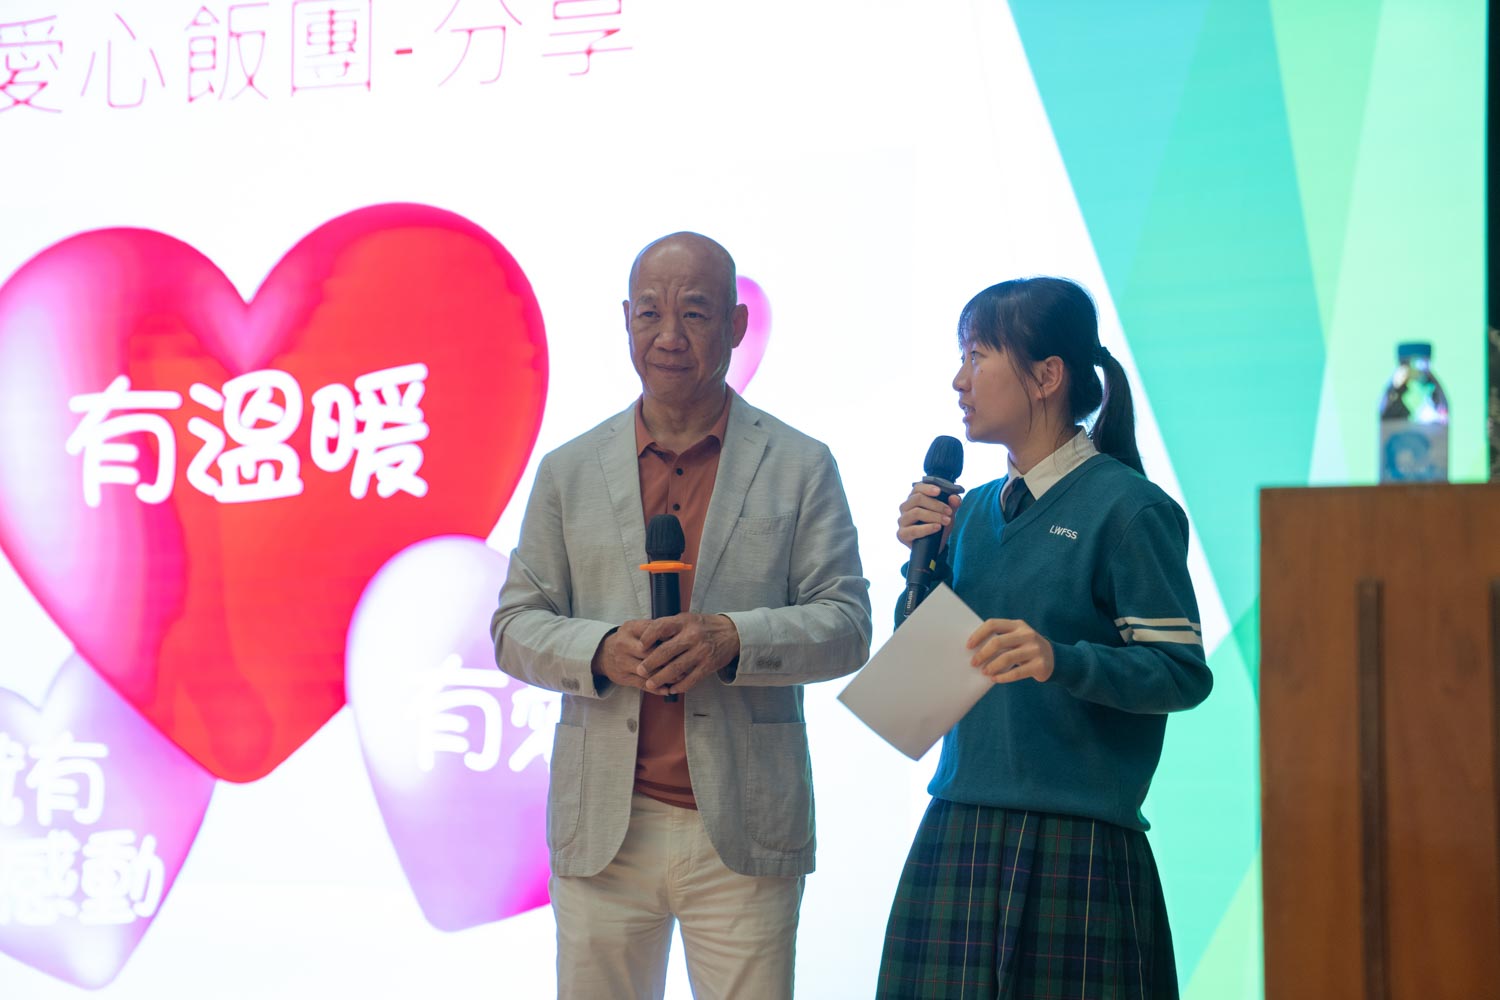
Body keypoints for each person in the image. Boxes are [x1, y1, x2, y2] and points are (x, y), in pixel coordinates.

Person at [491, 232, 872, 1000]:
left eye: (694, 313)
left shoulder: (800, 464)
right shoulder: (569, 470)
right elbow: (513, 627)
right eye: (649, 313)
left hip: (743, 829)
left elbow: (847, 624)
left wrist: (733, 638)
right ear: (625, 321)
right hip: (605, 830)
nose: (668, 336)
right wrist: (601, 649)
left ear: (735, 325)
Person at [877, 277, 1212, 999]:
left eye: (977, 356)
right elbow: (923, 686)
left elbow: (1180, 672)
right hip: (959, 823)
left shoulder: (1130, 509)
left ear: (1047, 376)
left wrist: (1061, 660)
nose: (959, 380)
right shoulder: (967, 515)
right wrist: (920, 570)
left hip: (1078, 844)